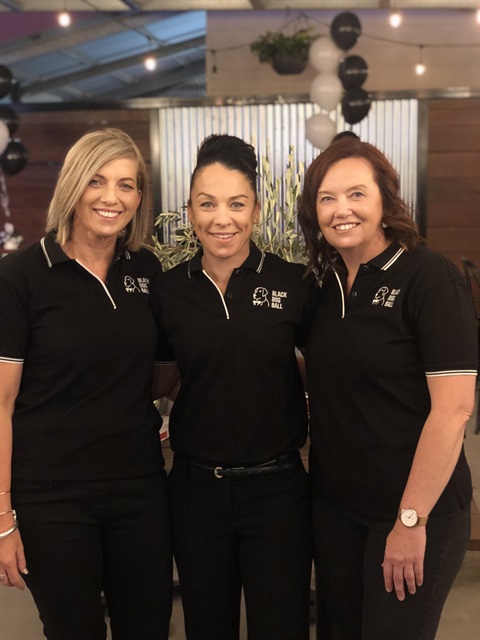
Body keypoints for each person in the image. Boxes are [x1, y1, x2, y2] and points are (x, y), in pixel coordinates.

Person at [297, 135, 478, 640]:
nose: (341, 210)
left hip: (414, 511)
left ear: (385, 201)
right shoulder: (323, 286)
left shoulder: (430, 279)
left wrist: (411, 520)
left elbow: (454, 411)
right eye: (326, 198)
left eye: (356, 194)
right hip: (337, 509)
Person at [0, 128, 172, 640]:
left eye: (126, 184)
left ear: (140, 197)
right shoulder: (21, 278)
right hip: (52, 499)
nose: (111, 197)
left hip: (139, 490)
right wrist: (3, 517)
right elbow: (1, 406)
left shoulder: (144, 268)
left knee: (148, 629)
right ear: (73, 185)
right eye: (97, 181)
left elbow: (165, 372)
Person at [152, 134, 317, 640]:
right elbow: (162, 379)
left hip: (278, 490)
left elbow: (324, 371)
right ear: (190, 210)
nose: (222, 219)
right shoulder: (168, 288)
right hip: (197, 489)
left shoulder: (294, 282)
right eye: (207, 204)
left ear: (258, 210)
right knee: (207, 624)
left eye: (236, 204)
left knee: (281, 625)